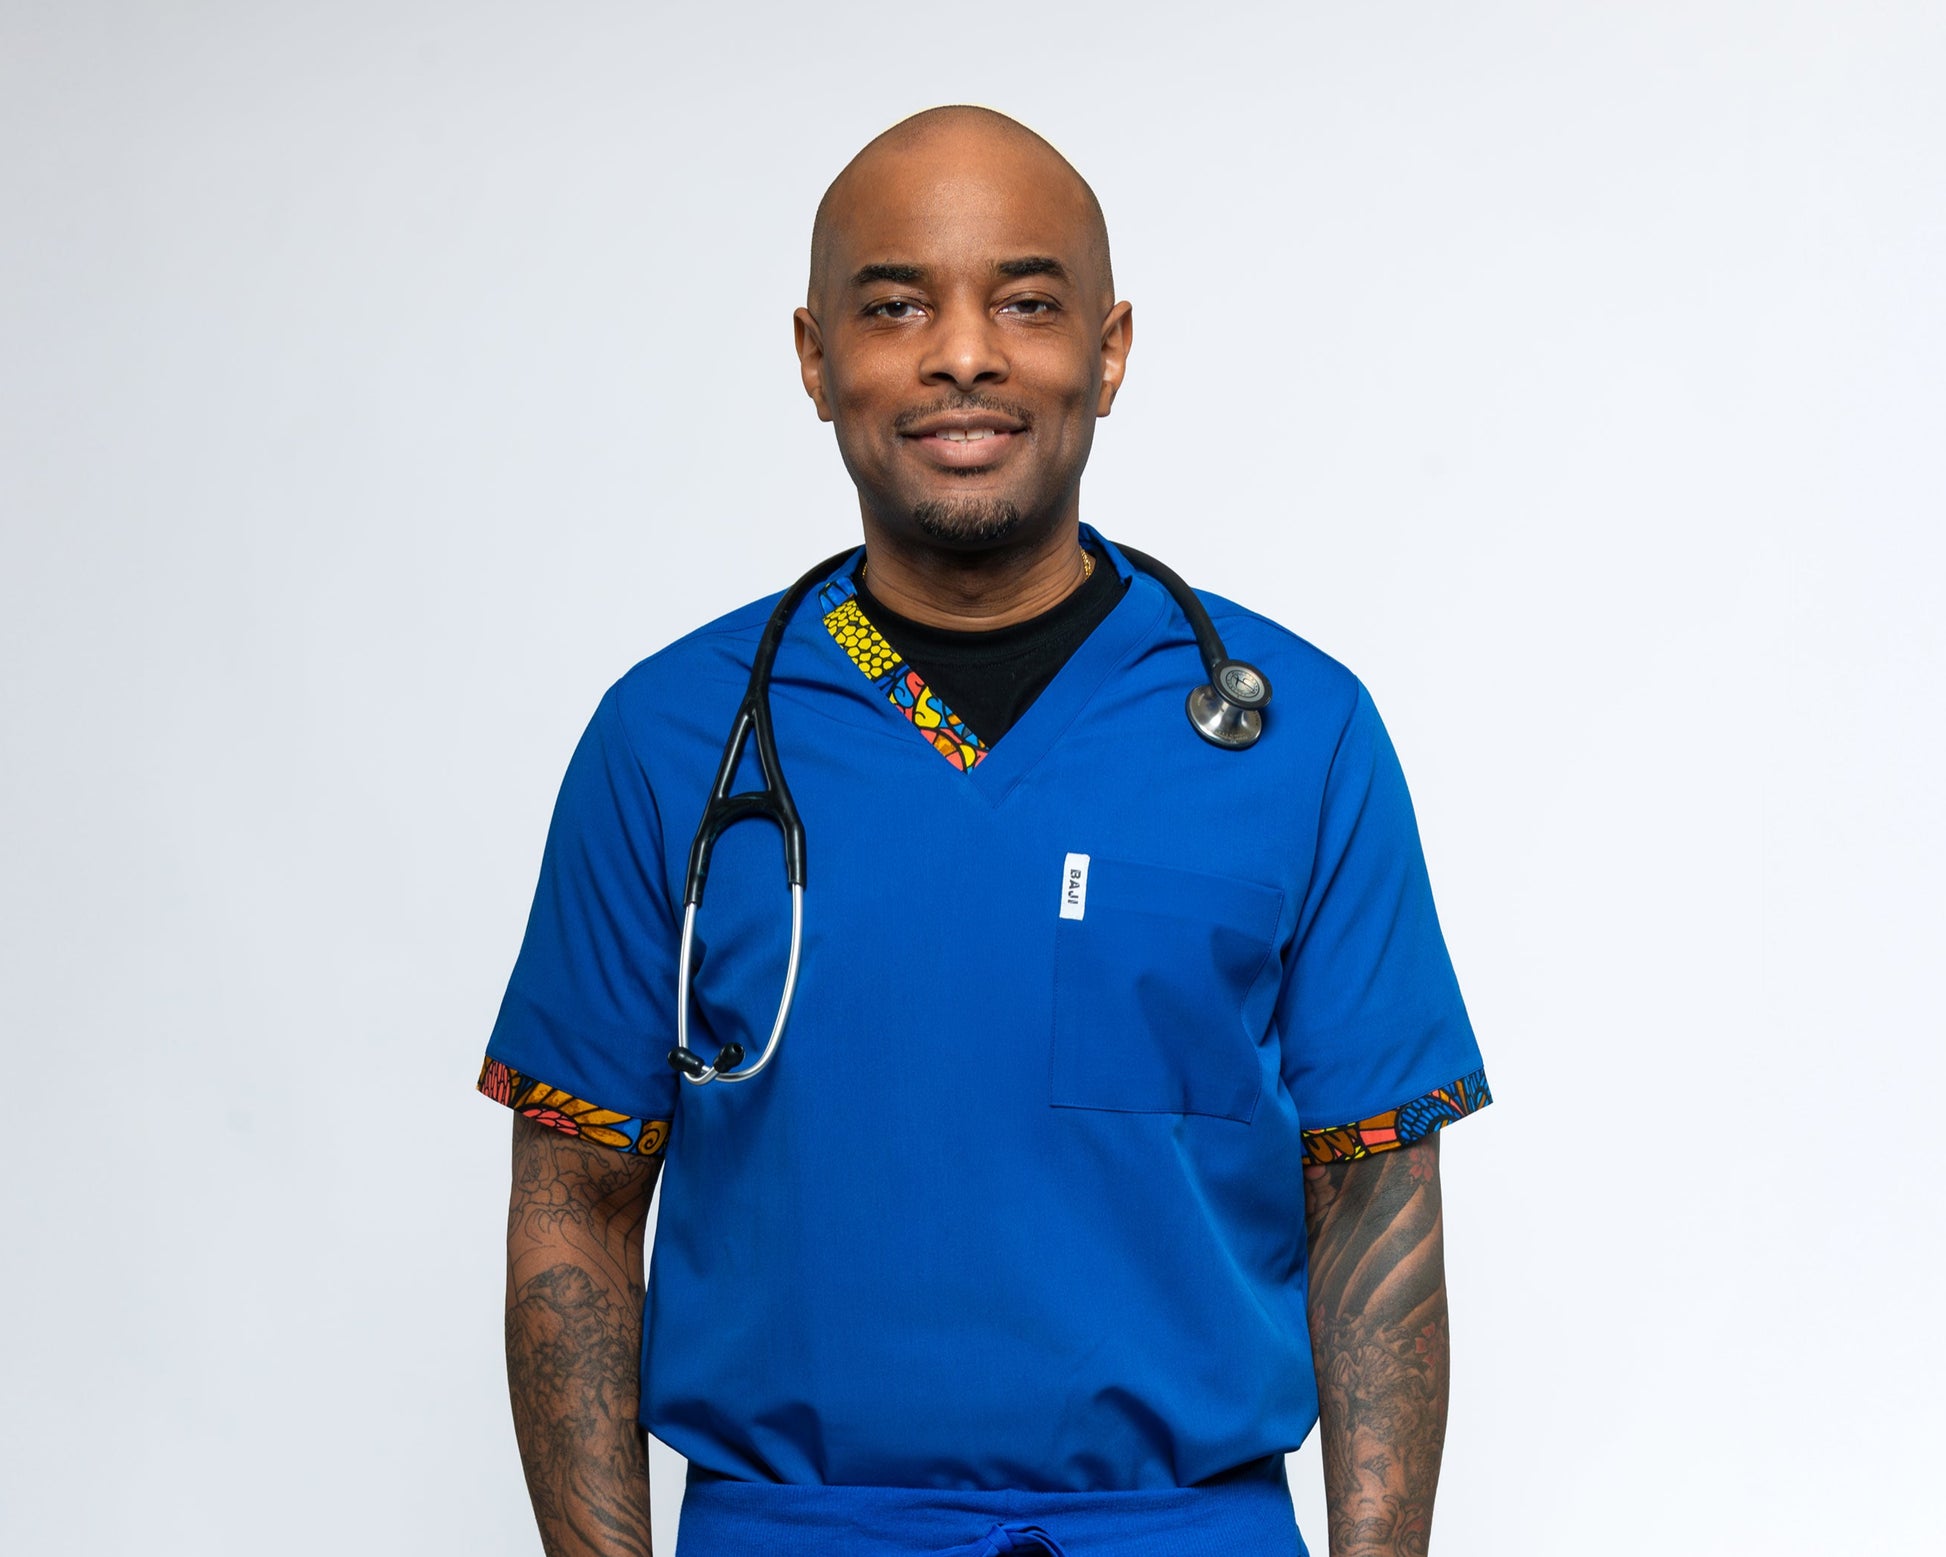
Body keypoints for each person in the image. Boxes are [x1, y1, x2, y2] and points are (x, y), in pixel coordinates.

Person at [479, 105, 1491, 1557]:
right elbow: (571, 1200)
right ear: (815, 358)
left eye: (1025, 300)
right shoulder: (668, 740)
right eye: (895, 307)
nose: (963, 351)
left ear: (1112, 347)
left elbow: (1376, 1200)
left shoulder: (1296, 738)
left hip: (1182, 1530)